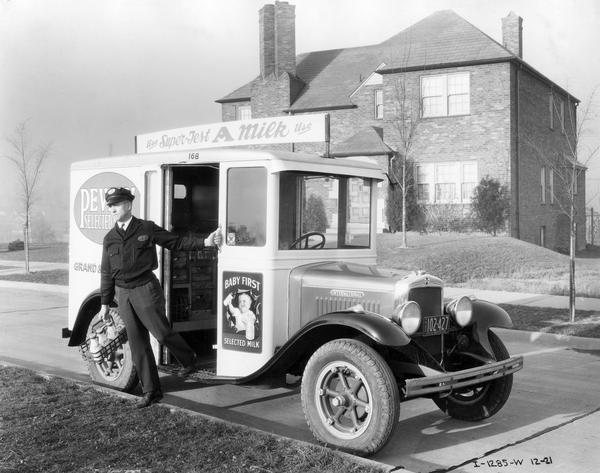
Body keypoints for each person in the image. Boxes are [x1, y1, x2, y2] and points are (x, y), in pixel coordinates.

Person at [99, 187, 222, 408]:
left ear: (128, 205)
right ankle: (151, 392)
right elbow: (106, 272)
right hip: (123, 293)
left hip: (145, 288)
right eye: (110, 206)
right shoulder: (110, 238)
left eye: (116, 204)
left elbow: (174, 242)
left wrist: (205, 243)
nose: (112, 209)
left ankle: (189, 360)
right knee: (138, 345)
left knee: (162, 334)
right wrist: (105, 303)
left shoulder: (145, 227)